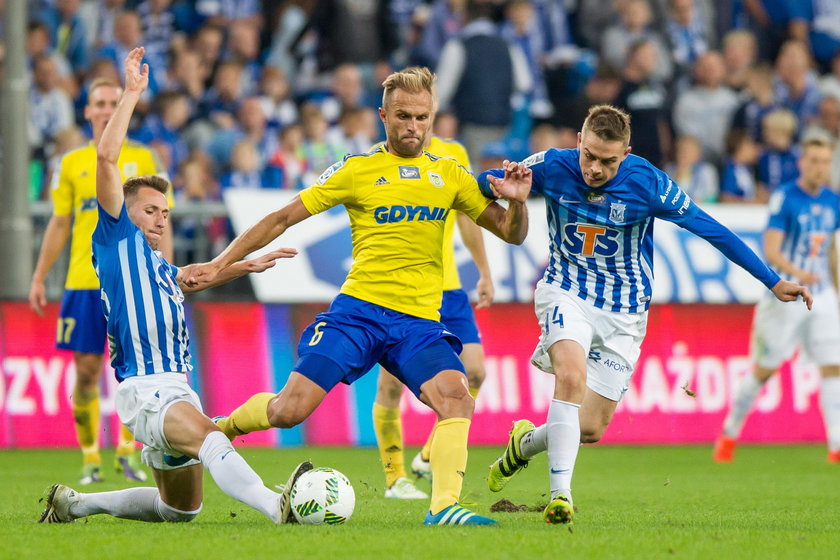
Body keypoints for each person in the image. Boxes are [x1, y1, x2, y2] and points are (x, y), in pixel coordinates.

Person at [191, 66, 532, 526]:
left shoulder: (450, 174)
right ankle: (220, 430)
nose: (413, 127)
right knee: (289, 410)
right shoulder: (357, 170)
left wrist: (518, 202)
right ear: (383, 116)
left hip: (416, 324)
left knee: (456, 398)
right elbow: (281, 218)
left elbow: (511, 234)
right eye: (404, 116)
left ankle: (444, 507)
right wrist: (219, 264)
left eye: (422, 118)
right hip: (358, 315)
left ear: (433, 118)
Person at [478, 104, 813, 526]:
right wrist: (499, 194)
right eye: (589, 156)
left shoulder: (648, 182)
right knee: (570, 376)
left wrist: (771, 280)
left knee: (590, 429)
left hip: (624, 312)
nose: (595, 169)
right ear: (578, 142)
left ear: (627, 153)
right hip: (566, 291)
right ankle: (560, 496)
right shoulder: (548, 165)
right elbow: (476, 188)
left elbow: (711, 229)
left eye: (608, 161)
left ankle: (521, 446)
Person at [39, 47, 306, 526]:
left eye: (165, 213)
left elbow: (194, 276)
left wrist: (247, 264)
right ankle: (276, 504)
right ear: (127, 211)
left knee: (180, 510)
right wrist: (132, 94)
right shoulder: (117, 238)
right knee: (211, 439)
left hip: (177, 387)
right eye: (150, 211)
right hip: (148, 391)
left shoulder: (159, 267)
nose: (160, 220)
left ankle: (77, 504)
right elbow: (105, 156)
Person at [29, 75, 173, 485]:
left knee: (135, 372)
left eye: (115, 102)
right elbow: (60, 223)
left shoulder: (145, 159)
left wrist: (167, 272)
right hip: (82, 281)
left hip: (132, 281)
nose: (109, 109)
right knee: (88, 372)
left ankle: (127, 453)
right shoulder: (70, 164)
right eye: (101, 103)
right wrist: (39, 276)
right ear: (88, 111)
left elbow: (165, 220)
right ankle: (91, 457)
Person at [372, 134, 494, 499]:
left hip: (449, 287)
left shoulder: (453, 153)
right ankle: (395, 478)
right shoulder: (380, 158)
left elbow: (469, 217)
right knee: (391, 384)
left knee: (475, 372)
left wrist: (484, 270)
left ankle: (427, 455)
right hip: (403, 288)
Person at [714, 137, 840, 464]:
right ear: (802, 163)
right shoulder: (785, 198)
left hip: (823, 295)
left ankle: (836, 446)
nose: (819, 167)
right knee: (764, 369)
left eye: (825, 161)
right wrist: (799, 273)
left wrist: (837, 292)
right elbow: (771, 248)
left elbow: (831, 249)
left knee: (833, 368)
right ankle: (729, 432)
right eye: (813, 160)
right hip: (787, 295)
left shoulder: (833, 201)